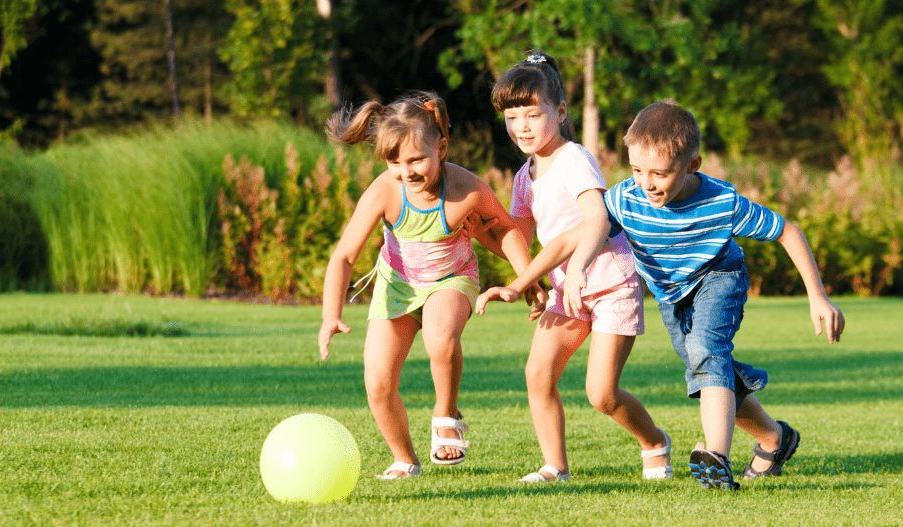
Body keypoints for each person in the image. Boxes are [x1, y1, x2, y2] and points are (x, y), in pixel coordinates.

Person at [562, 100, 845, 490]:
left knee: (707, 353)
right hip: (670, 294)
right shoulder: (626, 197)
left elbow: (787, 231)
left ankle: (717, 457)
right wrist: (569, 269)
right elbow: (592, 227)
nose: (646, 183)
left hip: (720, 276)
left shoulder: (721, 202)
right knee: (708, 368)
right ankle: (773, 438)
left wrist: (818, 296)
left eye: (660, 173)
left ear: (692, 165)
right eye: (637, 170)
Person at [475, 52, 672, 483]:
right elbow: (518, 239)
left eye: (532, 114)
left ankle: (654, 441)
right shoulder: (525, 175)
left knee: (601, 394)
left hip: (609, 282)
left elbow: (597, 219)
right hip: (568, 288)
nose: (522, 126)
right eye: (512, 117)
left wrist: (577, 267)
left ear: (560, 112)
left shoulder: (574, 159)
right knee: (537, 372)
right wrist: (474, 230)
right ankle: (555, 466)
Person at [318, 91, 536, 480]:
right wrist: (330, 315)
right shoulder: (386, 190)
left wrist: (527, 279)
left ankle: (446, 412)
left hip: (452, 280)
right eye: (395, 161)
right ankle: (404, 458)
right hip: (397, 286)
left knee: (440, 338)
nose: (407, 171)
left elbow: (504, 231)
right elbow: (344, 256)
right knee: (378, 383)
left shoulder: (465, 188)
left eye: (417, 159)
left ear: (442, 147)